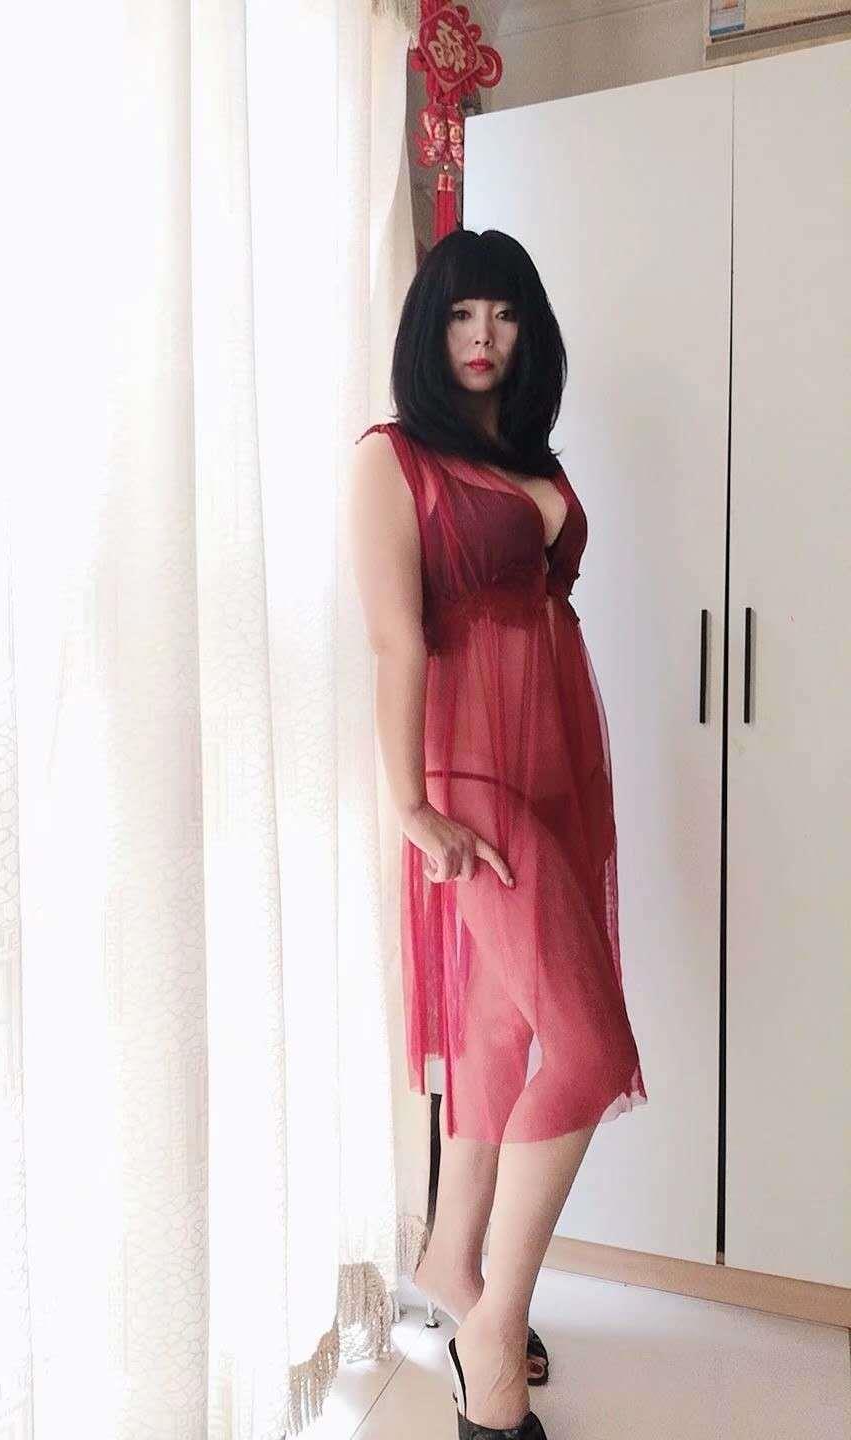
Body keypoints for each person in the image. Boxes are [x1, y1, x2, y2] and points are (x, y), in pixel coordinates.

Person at [347, 228, 648, 1440]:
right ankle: (491, 1332)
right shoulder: (393, 459)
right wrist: (411, 804)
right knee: (589, 1048)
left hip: (558, 765)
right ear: (432, 329)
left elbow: (546, 607)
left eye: (506, 315)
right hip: (472, 775)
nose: (483, 337)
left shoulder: (529, 456)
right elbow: (395, 639)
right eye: (463, 314)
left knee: (501, 1029)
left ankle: (454, 1261)